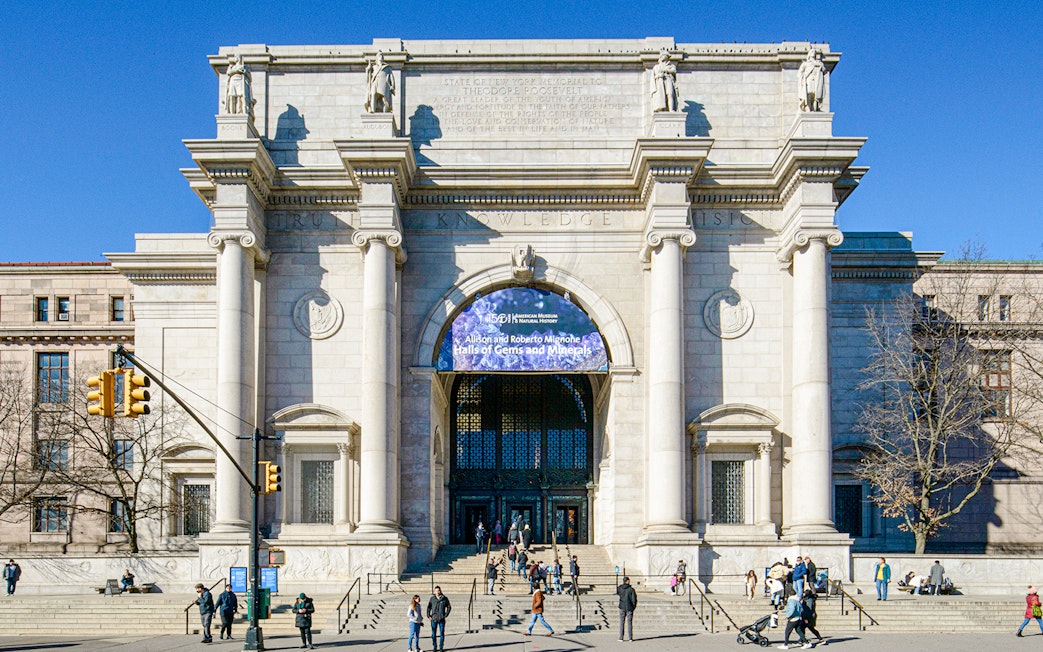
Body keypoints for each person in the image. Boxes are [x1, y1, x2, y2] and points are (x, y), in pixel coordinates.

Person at [427, 585, 451, 652]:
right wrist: (428, 615)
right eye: (436, 590)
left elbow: (449, 607)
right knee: (433, 634)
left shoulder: (444, 598)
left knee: (441, 633)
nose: (437, 592)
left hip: (441, 619)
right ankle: (434, 647)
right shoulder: (432, 599)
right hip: (434, 619)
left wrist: (445, 615)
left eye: (439, 590)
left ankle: (441, 647)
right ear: (434, 591)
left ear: (440, 591)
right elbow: (429, 607)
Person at [617, 575, 638, 642]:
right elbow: (634, 600)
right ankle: (630, 637)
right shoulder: (631, 589)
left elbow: (618, 593)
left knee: (621, 622)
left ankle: (621, 637)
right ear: (627, 581)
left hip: (622, 606)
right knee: (629, 622)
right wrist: (633, 607)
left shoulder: (620, 588)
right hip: (629, 607)